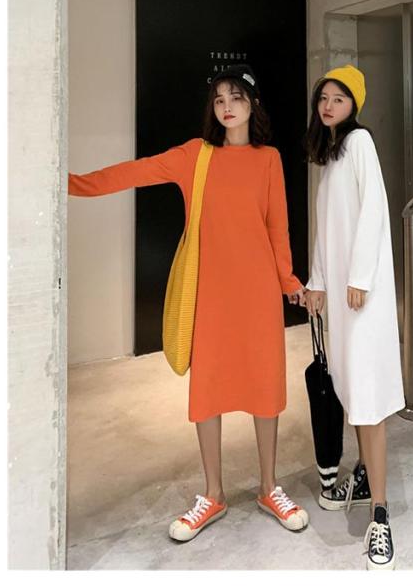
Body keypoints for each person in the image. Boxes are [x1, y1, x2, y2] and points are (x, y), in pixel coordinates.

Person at [69, 64, 310, 542]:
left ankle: (269, 487)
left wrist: (288, 281)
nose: (227, 107)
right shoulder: (194, 156)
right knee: (208, 392)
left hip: (258, 292)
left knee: (265, 386)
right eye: (219, 99)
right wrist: (72, 182)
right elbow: (134, 171)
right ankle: (213, 494)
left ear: (252, 104)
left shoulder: (269, 159)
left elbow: (277, 227)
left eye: (236, 97)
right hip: (211, 293)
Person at [304, 65, 405, 570]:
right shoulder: (330, 155)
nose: (329, 105)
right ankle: (364, 476)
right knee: (351, 388)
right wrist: (318, 281)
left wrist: (360, 276)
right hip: (343, 297)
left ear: (354, 105)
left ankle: (380, 515)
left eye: (339, 99)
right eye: (324, 97)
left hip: (362, 295)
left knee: (368, 397)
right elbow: (325, 226)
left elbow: (375, 212)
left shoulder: (360, 142)